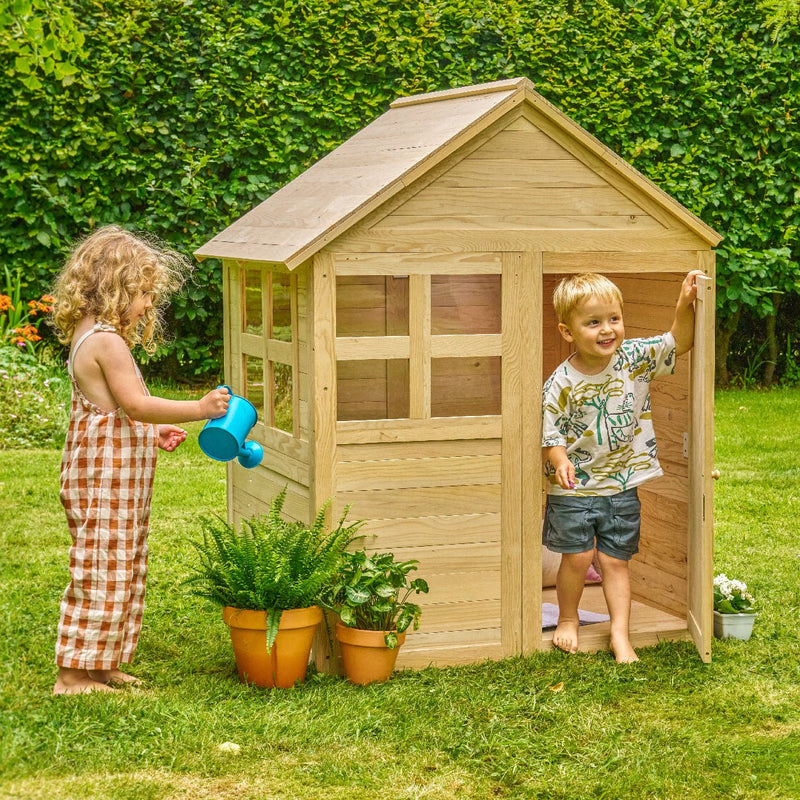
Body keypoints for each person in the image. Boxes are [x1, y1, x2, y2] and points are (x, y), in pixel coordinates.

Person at [50, 225, 230, 695]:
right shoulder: (106, 341)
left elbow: (112, 412)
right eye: (144, 293)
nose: (148, 304)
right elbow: (134, 404)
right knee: (101, 570)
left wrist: (151, 434)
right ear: (116, 287)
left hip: (112, 479)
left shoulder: (89, 333)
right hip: (105, 483)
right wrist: (198, 410)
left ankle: (101, 663)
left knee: (122, 566)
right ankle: (72, 674)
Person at [541, 270, 702, 663]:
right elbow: (551, 435)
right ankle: (567, 619)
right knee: (577, 557)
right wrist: (560, 462)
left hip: (623, 483)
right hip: (575, 488)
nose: (607, 329)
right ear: (568, 332)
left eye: (613, 318)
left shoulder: (633, 359)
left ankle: (619, 634)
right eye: (593, 322)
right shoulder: (561, 382)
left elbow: (678, 342)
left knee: (615, 560)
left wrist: (684, 305)